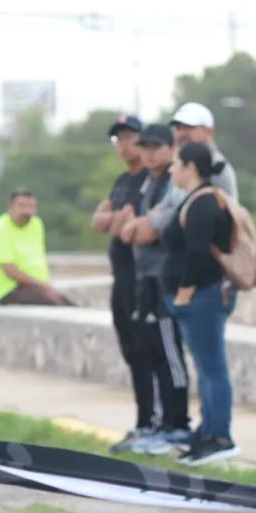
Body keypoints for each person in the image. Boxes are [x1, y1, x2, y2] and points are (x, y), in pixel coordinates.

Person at [117, 124, 194, 456]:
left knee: (169, 353)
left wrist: (136, 226)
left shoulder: (171, 182)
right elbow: (125, 229)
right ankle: (157, 423)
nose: (147, 153)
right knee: (147, 351)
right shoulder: (148, 181)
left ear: (170, 147)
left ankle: (177, 424)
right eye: (143, 146)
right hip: (143, 277)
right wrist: (134, 226)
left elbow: (149, 231)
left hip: (165, 278)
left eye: (155, 147)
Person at [161, 142, 238, 466]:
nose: (171, 169)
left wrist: (185, 291)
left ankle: (220, 437)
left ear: (191, 167)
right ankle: (206, 432)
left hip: (203, 298)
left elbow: (198, 254)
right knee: (204, 369)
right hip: (197, 298)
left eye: (176, 163)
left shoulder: (205, 203)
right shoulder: (194, 200)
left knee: (212, 368)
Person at [92, 115, 154, 453]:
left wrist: (114, 221)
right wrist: (113, 219)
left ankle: (153, 422)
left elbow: (122, 226)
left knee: (146, 352)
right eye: (118, 139)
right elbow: (100, 220)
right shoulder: (121, 181)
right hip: (121, 280)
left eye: (129, 137)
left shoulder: (149, 180)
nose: (123, 145)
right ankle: (142, 421)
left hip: (141, 279)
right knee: (131, 351)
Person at [0, 190, 74, 307]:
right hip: (11, 289)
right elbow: (8, 269)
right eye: (21, 206)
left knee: (69, 305)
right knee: (57, 306)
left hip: (36, 287)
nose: (26, 211)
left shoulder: (36, 224)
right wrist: (42, 285)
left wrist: (44, 285)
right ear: (10, 207)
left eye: (31, 206)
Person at [169, 102, 239, 202]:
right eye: (178, 128)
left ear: (209, 131)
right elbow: (169, 204)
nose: (181, 134)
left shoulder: (216, 165)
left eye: (189, 127)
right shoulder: (179, 163)